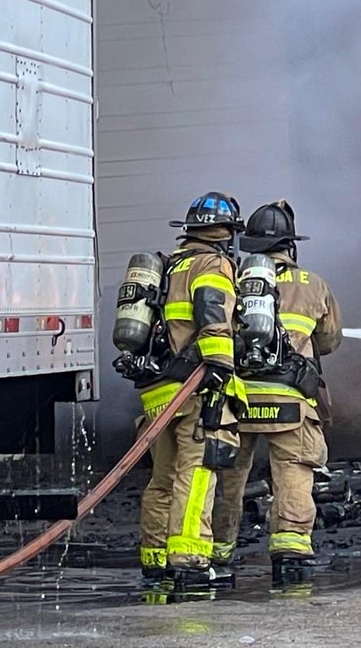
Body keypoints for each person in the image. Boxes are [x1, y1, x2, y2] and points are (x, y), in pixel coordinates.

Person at [211, 199, 342, 585]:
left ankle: (218, 552)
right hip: (290, 400)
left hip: (238, 399)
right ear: (291, 245)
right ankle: (290, 550)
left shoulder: (233, 277)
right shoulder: (314, 284)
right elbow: (330, 341)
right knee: (294, 473)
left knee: (227, 478)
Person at [137, 191, 246, 588]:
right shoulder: (213, 264)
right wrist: (219, 366)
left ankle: (155, 557)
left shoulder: (168, 267)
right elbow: (213, 314)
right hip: (194, 389)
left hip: (158, 392)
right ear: (227, 234)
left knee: (163, 478)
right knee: (196, 474)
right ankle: (190, 559)